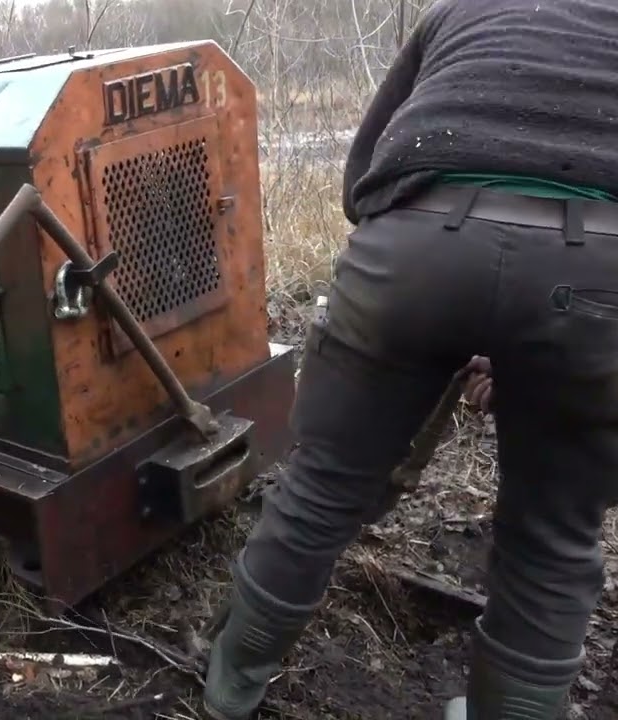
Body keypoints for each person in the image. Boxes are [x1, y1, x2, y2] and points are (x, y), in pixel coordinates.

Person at [199, 1, 618, 719]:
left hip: (416, 245)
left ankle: (230, 686)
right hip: (599, 276)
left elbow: (364, 171)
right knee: (554, 534)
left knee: (318, 486)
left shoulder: (462, 10)